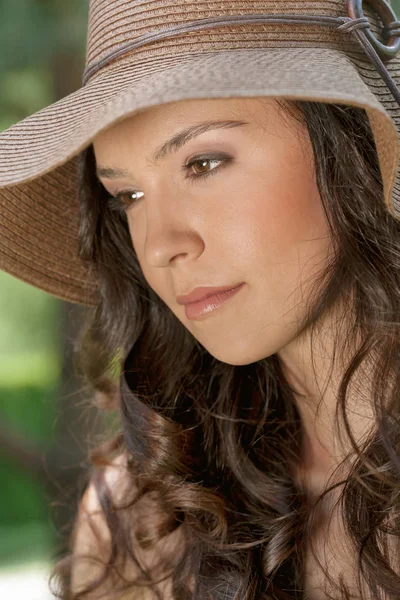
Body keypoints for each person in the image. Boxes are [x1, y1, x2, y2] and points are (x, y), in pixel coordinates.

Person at [1, 1, 400, 599]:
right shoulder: (142, 513)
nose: (161, 246)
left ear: (350, 142)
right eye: (128, 195)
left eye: (204, 162)